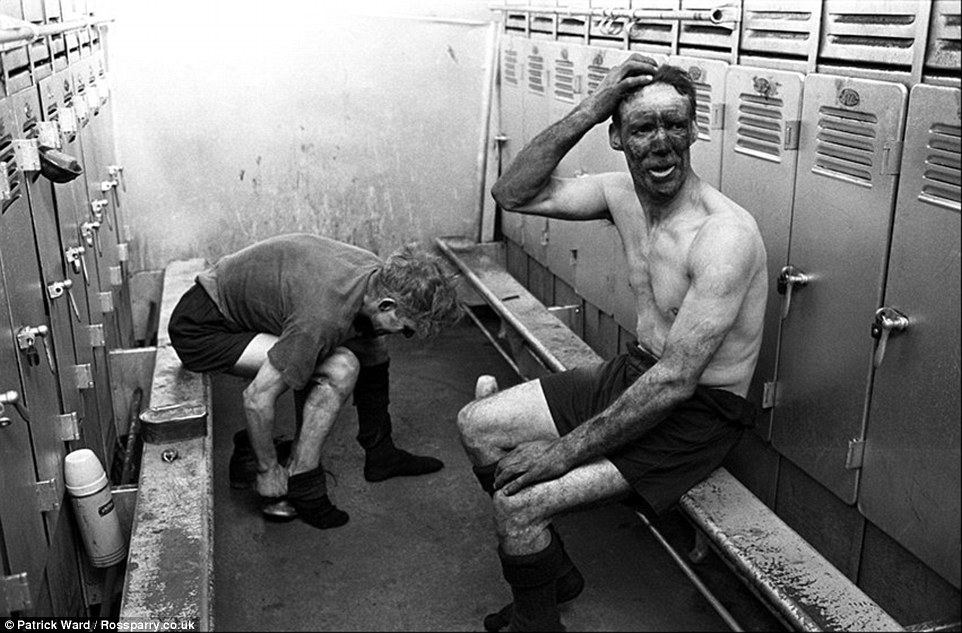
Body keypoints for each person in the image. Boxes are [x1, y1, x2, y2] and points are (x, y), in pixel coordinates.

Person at [456, 57, 768, 631]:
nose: (661, 143)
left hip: (698, 411)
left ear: (695, 130)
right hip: (635, 373)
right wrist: (590, 107)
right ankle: (552, 572)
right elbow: (512, 193)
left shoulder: (724, 236)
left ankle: (536, 620)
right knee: (478, 424)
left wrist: (563, 451)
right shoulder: (621, 193)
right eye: (643, 128)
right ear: (617, 137)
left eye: (675, 124)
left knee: (519, 502)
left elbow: (677, 380)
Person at [168, 233, 462, 530]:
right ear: (386, 304)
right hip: (203, 329)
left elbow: (363, 326)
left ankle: (381, 453)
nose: (404, 336)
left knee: (373, 341)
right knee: (340, 368)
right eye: (407, 329)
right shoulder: (321, 317)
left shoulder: (374, 274)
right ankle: (302, 481)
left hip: (239, 304)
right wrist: (267, 471)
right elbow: (256, 398)